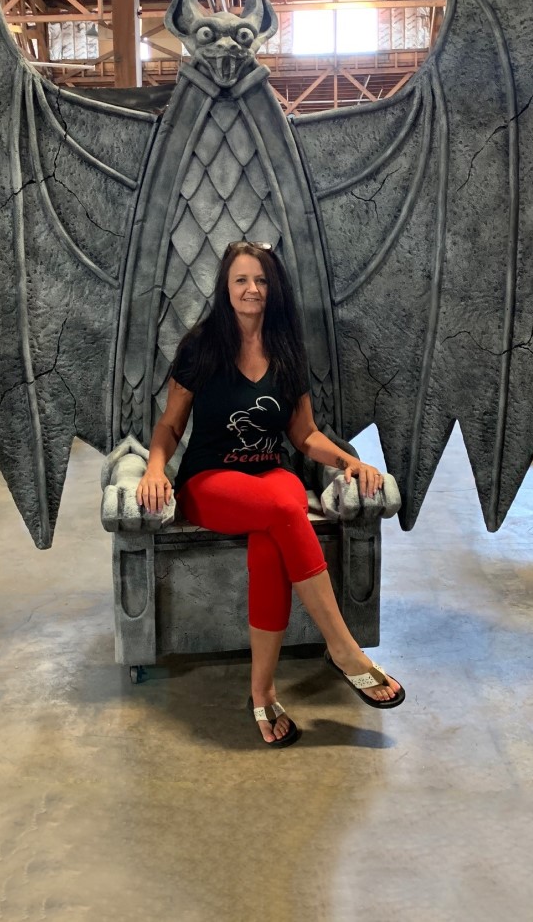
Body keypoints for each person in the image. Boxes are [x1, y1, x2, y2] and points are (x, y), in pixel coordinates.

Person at [136, 240, 405, 748]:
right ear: (226, 287)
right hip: (209, 481)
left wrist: (348, 461)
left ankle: (261, 692)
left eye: (260, 280)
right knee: (285, 507)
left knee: (272, 535)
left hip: (270, 474)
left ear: (272, 288)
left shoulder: (286, 350)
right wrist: (154, 469)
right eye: (241, 280)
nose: (251, 289)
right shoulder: (201, 346)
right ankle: (344, 649)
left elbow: (304, 435)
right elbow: (170, 425)